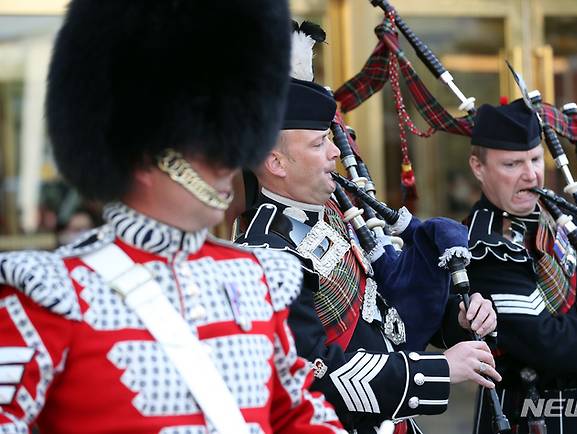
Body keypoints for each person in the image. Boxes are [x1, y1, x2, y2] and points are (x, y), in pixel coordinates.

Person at [0, 2, 345, 433]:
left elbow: (294, 415)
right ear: (146, 155)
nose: (231, 160)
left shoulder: (259, 278)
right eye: (210, 145)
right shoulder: (50, 296)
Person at [236, 23, 500, 433]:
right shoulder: (266, 250)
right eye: (318, 142)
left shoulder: (331, 214)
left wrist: (457, 320)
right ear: (276, 163)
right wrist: (436, 371)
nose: (335, 153)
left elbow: (385, 309)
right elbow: (313, 372)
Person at [464, 99, 577, 434]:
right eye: (512, 164)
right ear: (478, 168)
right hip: (538, 418)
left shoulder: (544, 213)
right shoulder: (487, 246)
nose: (531, 174)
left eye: (535, 159)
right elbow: (546, 343)